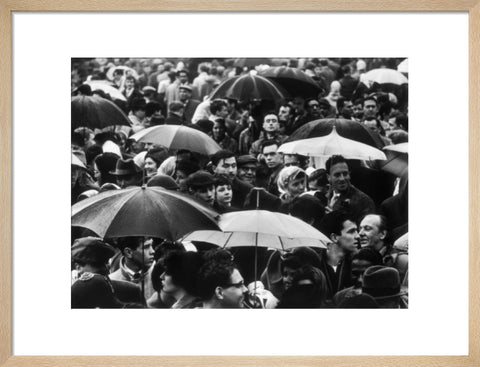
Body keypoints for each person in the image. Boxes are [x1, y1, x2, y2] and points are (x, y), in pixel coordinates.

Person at [71, 237, 144, 308]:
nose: (104, 268)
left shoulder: (131, 290)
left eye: (105, 262)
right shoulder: (75, 294)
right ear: (78, 267)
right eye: (97, 265)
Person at [325, 155, 375, 222]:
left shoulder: (363, 201)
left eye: (345, 174)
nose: (342, 178)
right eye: (337, 175)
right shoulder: (326, 195)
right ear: (328, 177)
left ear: (349, 174)